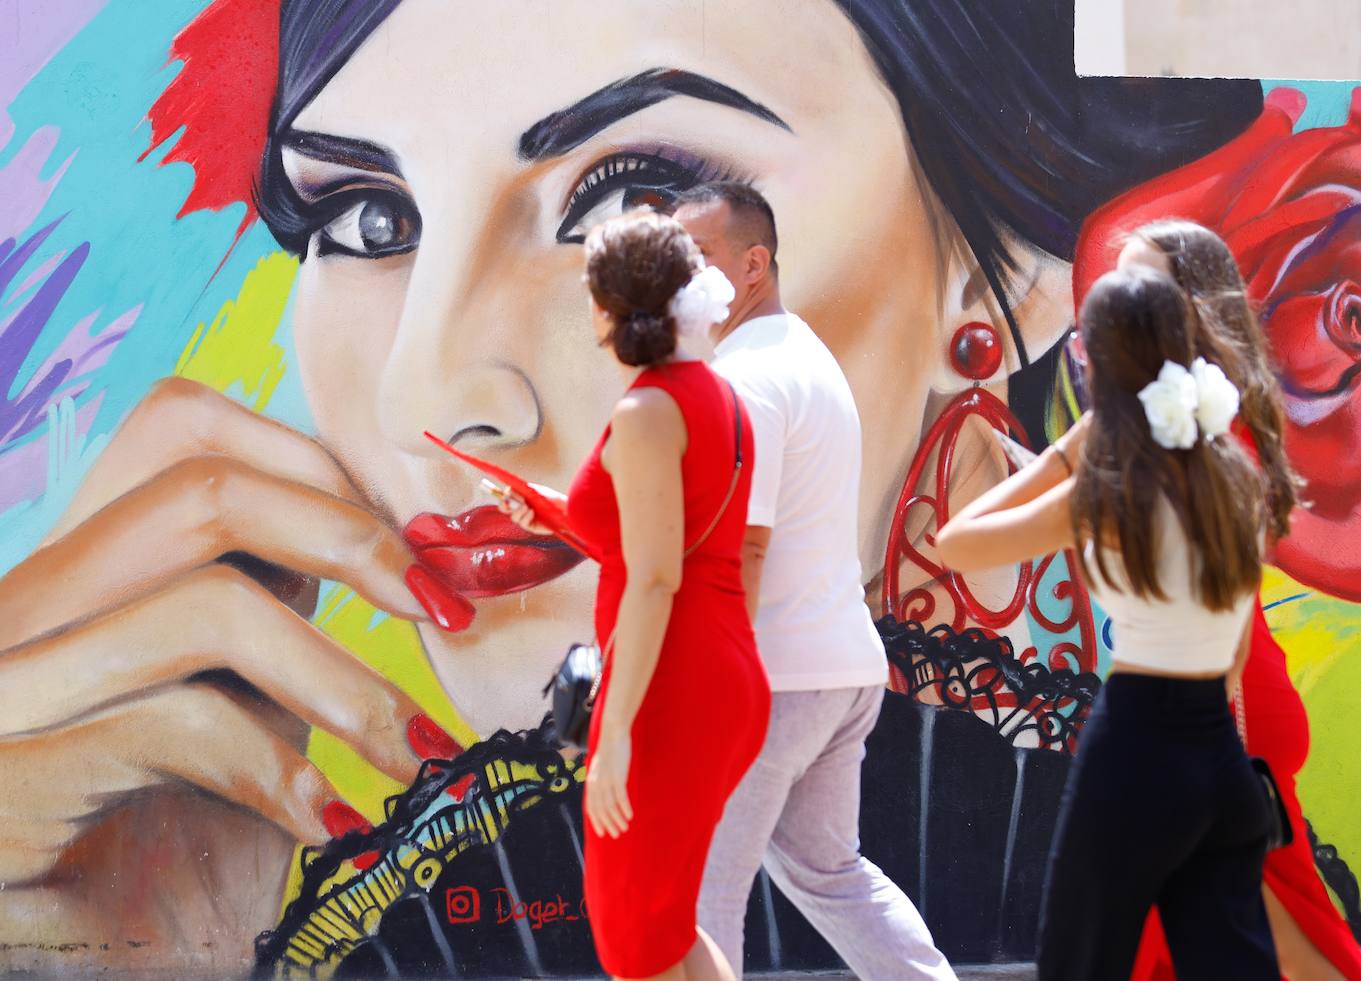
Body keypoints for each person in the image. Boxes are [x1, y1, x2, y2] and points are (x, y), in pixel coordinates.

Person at [0, 0, 1274, 966]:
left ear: (1006, 270)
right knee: (818, 876)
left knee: (676, 906)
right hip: (823, 679)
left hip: (737, 684)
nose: (428, 392)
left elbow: (664, 572)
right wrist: (128, 942)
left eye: (634, 195)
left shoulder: (700, 400)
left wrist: (614, 734)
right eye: (370, 222)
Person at [937, 266, 1285, 980]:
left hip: (1137, 743)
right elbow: (1239, 633)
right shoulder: (1229, 470)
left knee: (1078, 960)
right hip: (1218, 750)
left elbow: (960, 539)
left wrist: (1066, 454)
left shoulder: (1107, 485)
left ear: (1095, 357)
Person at [669, 182, 956, 980]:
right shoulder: (798, 354)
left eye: (695, 258)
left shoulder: (742, 381)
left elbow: (743, 550)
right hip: (838, 671)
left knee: (700, 898)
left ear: (753, 265)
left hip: (771, 678)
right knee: (830, 873)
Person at [505, 208, 770, 980]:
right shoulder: (709, 394)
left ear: (610, 305)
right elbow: (661, 536)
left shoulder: (648, 408)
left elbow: (656, 576)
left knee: (631, 935)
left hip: (671, 682)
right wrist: (556, 508)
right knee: (665, 924)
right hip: (713, 670)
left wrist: (614, 733)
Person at [1116, 221, 1361, 981]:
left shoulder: (1200, 418)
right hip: (1206, 710)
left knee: (1274, 927)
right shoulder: (1188, 409)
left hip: (1220, 713)